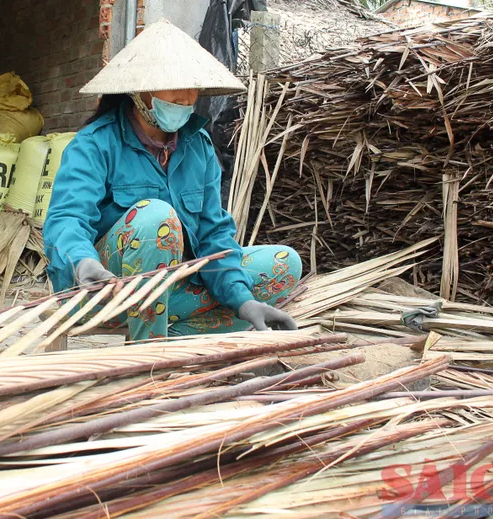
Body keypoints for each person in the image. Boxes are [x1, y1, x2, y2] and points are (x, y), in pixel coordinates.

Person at [43, 19, 302, 340]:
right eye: (174, 83)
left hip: (174, 287)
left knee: (283, 263)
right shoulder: (95, 143)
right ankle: (148, 349)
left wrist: (243, 300)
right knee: (156, 215)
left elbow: (213, 234)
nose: (187, 95)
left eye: (192, 84)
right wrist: (83, 264)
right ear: (140, 90)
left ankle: (178, 331)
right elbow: (67, 219)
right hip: (102, 291)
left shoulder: (198, 147)